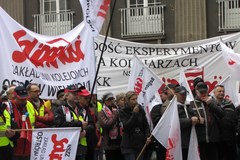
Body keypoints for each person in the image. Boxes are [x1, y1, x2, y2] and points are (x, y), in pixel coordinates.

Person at [190, 83, 224, 160]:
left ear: (208, 91)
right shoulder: (192, 104)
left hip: (213, 139)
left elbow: (222, 114)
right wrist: (197, 120)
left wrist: (211, 104)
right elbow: (190, 119)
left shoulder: (213, 101)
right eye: (201, 92)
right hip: (200, 139)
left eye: (205, 92)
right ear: (196, 92)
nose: (203, 94)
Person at [119, 91, 151, 160]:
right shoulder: (122, 111)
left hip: (140, 143)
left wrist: (147, 136)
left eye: (136, 99)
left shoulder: (140, 109)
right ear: (127, 100)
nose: (135, 101)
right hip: (129, 144)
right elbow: (126, 126)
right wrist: (134, 114)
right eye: (133, 99)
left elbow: (145, 125)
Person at [150, 83, 177, 160]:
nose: (164, 95)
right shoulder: (156, 108)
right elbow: (158, 123)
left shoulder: (178, 106)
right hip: (162, 140)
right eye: (165, 93)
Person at [11, 86, 37, 160]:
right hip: (14, 150)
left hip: (27, 149)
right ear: (14, 96)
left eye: (25, 98)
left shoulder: (26, 106)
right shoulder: (9, 108)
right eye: (21, 99)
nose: (23, 101)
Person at [213, 85, 238, 160]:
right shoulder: (211, 105)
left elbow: (235, 118)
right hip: (217, 139)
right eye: (219, 91)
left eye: (223, 91)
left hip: (230, 138)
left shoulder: (230, 104)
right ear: (214, 92)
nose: (222, 93)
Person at [175, 86, 199, 160]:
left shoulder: (188, 105)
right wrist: (190, 121)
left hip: (191, 139)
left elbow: (195, 115)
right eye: (181, 94)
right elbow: (175, 122)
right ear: (176, 95)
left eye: (185, 94)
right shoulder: (173, 107)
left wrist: (197, 119)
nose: (184, 96)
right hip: (180, 141)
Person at [98, 92, 124, 160]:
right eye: (109, 99)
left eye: (112, 99)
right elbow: (106, 124)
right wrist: (114, 114)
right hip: (109, 143)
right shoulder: (101, 112)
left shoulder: (118, 109)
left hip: (120, 141)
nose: (111, 101)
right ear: (104, 101)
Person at [78, 88, 98, 160]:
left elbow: (92, 124)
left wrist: (86, 130)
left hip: (90, 142)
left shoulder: (88, 109)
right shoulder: (76, 109)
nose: (88, 100)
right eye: (85, 98)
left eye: (89, 98)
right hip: (81, 144)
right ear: (79, 98)